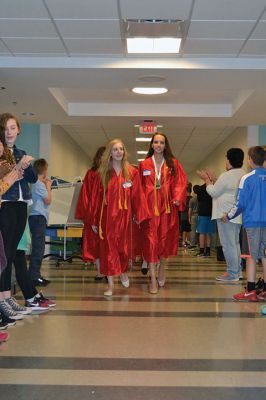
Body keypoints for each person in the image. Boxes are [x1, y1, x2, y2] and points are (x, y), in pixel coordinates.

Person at [88, 139, 149, 296]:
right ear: (110, 152)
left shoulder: (132, 172)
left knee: (123, 249)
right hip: (107, 218)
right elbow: (95, 198)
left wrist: (139, 214)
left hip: (125, 218)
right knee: (108, 249)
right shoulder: (102, 173)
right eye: (115, 149)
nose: (119, 152)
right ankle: (110, 285)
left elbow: (137, 195)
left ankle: (122, 271)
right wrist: (94, 220)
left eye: (121, 149)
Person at [0, 113, 37, 322]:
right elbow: (5, 179)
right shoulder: (0, 153)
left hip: (22, 205)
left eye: (13, 128)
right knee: (4, 255)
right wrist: (17, 167)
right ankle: (2, 299)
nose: (9, 132)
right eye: (5, 128)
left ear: (19, 130)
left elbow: (32, 178)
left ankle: (7, 296)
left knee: (12, 252)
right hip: (6, 204)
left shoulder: (21, 152)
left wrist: (25, 165)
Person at [139, 133, 187, 294]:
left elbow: (181, 182)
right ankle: (152, 279)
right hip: (150, 209)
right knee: (151, 242)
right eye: (156, 142)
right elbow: (139, 188)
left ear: (165, 146)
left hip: (167, 208)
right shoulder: (144, 164)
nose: (158, 145)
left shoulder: (173, 164)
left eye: (162, 142)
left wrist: (178, 198)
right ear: (152, 145)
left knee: (165, 240)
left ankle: (162, 268)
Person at [223, 146, 266, 301]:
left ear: (249, 160)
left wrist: (228, 216)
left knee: (251, 257)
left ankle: (251, 290)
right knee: (265, 256)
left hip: (252, 224)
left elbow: (240, 203)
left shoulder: (247, 178)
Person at [198, 148, 245, 281]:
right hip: (236, 215)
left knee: (228, 245)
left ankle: (232, 274)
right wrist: (214, 179)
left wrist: (207, 180)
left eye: (226, 158)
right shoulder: (242, 174)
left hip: (225, 216)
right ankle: (237, 271)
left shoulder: (227, 175)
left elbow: (214, 192)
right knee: (234, 244)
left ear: (229, 160)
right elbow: (225, 187)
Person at [75, 146, 106, 281]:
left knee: (108, 243)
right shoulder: (91, 174)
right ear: (98, 158)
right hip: (94, 214)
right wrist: (90, 218)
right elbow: (85, 196)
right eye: (103, 156)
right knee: (95, 244)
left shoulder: (114, 173)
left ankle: (110, 270)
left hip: (110, 214)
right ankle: (100, 272)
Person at [28, 158, 52, 286]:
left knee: (37, 247)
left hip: (35, 217)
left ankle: (34, 274)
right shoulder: (39, 184)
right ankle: (34, 276)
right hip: (38, 218)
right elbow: (48, 200)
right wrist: (48, 187)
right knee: (38, 248)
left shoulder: (36, 183)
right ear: (44, 170)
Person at [193, 183, 216, 257]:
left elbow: (199, 199)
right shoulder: (213, 187)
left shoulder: (200, 188)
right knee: (209, 232)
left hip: (202, 212)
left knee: (202, 233)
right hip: (211, 212)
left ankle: (202, 251)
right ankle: (208, 251)